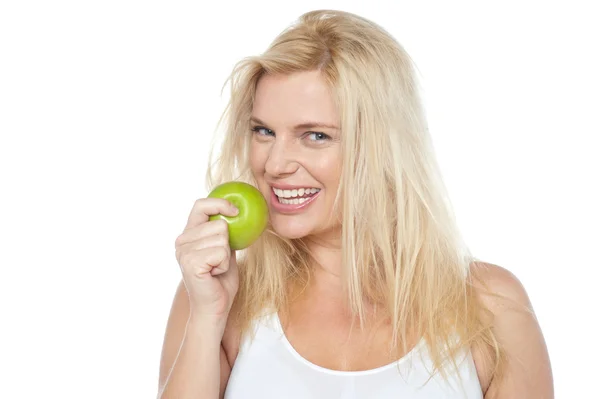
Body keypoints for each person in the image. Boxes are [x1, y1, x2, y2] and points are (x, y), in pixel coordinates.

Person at [157, 9, 553, 399]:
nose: (274, 165)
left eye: (315, 136)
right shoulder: (217, 300)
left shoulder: (490, 309)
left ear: (384, 147)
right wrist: (208, 317)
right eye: (264, 131)